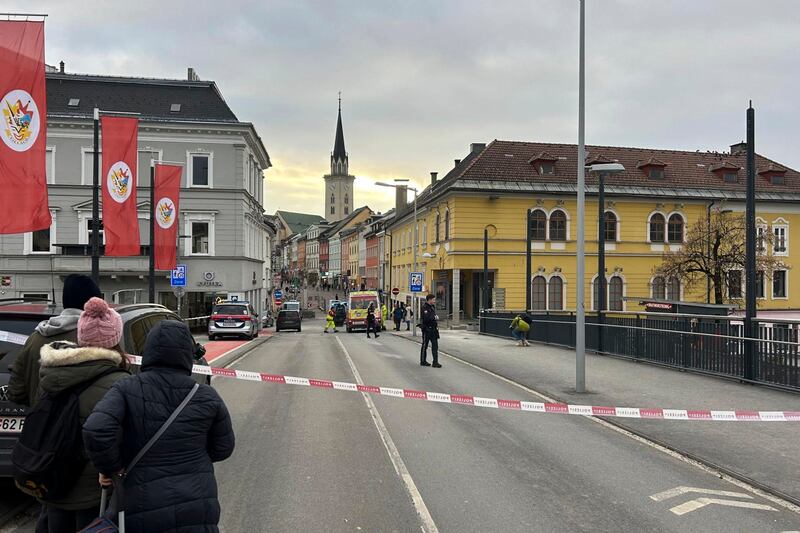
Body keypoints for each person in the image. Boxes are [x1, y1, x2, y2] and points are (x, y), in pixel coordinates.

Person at [83, 321, 235, 533]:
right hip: (197, 501)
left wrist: (112, 467)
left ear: (149, 351)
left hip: (142, 502)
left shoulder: (126, 388)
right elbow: (223, 448)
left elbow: (96, 428)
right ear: (186, 355)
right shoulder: (206, 396)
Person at [36, 297, 130, 532]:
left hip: (54, 481)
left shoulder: (49, 373)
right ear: (115, 339)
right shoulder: (120, 383)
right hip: (96, 491)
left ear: (80, 337)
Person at [8, 274, 102, 408]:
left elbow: (15, 391)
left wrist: (38, 404)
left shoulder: (35, 338)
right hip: (80, 425)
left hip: (41, 424)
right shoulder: (96, 340)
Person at [420, 294, 441, 368]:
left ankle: (435, 362)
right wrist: (434, 317)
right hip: (427, 329)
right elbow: (426, 318)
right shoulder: (424, 307)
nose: (434, 301)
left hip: (434, 330)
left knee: (435, 346)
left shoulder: (432, 307)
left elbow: (432, 316)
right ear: (429, 299)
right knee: (425, 345)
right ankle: (423, 361)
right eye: (433, 299)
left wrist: (435, 317)